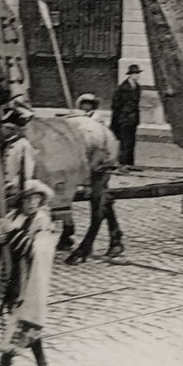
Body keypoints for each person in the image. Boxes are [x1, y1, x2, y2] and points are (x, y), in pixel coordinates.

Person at [0, 178, 57, 366]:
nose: (32, 203)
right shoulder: (12, 217)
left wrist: (11, 233)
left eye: (36, 198)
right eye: (28, 199)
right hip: (12, 282)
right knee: (26, 328)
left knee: (15, 330)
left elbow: (36, 250)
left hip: (29, 284)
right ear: (21, 201)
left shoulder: (42, 222)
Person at [65, 97, 124, 264]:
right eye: (83, 106)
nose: (85, 108)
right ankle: (115, 235)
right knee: (103, 200)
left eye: (88, 106)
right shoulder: (76, 119)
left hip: (98, 156)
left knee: (99, 199)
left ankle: (92, 242)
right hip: (86, 155)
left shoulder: (97, 122)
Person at [111, 64, 143, 167]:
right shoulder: (123, 88)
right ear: (130, 75)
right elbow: (116, 104)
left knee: (132, 141)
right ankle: (123, 163)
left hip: (133, 118)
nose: (137, 76)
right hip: (124, 118)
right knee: (125, 141)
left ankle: (130, 163)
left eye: (138, 73)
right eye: (135, 74)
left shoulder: (137, 87)